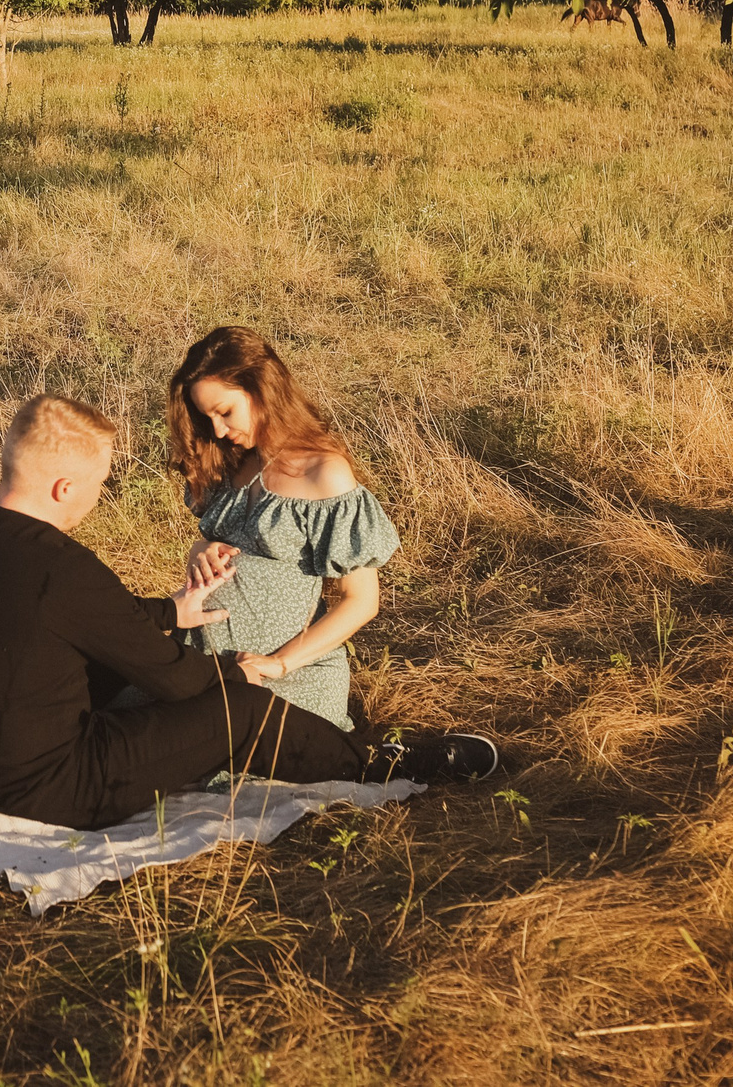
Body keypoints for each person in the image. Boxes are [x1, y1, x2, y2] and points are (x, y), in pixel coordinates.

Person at [0, 393, 439, 832]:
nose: (100, 493)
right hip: (46, 790)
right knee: (240, 711)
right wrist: (238, 674)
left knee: (92, 663)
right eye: (101, 482)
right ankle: (381, 765)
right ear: (65, 487)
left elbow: (92, 618)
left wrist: (169, 612)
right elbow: (175, 680)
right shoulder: (62, 568)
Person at [168, 326, 500, 780]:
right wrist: (199, 548)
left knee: (214, 757)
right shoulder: (231, 463)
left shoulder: (324, 474)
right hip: (201, 658)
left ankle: (402, 760)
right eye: (208, 419)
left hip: (281, 673)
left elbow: (362, 600)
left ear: (261, 389)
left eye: (224, 412)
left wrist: (280, 662)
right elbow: (222, 547)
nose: (218, 430)